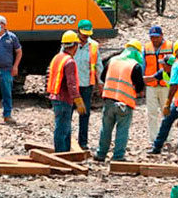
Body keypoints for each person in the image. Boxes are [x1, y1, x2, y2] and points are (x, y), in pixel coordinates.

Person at [94, 40, 145, 162]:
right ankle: (118, 156)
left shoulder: (112, 61)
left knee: (106, 128)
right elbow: (139, 87)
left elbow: (102, 77)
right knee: (122, 129)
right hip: (124, 102)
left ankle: (101, 154)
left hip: (109, 100)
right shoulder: (135, 66)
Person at [47, 31, 86, 152]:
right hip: (63, 99)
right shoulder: (69, 61)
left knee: (65, 128)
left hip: (56, 97)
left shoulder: (57, 58)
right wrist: (78, 100)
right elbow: (71, 84)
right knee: (63, 129)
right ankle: (61, 155)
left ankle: (65, 153)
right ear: (74, 45)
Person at [74, 19, 102, 150]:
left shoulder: (94, 46)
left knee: (84, 113)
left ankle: (83, 142)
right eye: (83, 33)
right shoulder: (70, 43)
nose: (85, 36)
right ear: (78, 31)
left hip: (86, 84)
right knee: (67, 112)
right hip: (72, 85)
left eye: (87, 34)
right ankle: (66, 140)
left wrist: (100, 83)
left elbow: (98, 66)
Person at [143, 26, 173, 142]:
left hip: (166, 85)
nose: (154, 40)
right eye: (152, 37)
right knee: (152, 112)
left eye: (156, 37)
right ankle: (154, 138)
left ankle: (168, 137)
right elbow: (143, 65)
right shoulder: (146, 48)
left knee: (166, 111)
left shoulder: (170, 46)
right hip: (151, 85)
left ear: (162, 36)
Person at [148, 55, 178, 154]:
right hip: (177, 101)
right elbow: (151, 78)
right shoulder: (164, 73)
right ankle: (157, 147)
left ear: (170, 66)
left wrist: (168, 103)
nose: (162, 66)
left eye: (164, 64)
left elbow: (174, 88)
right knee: (166, 121)